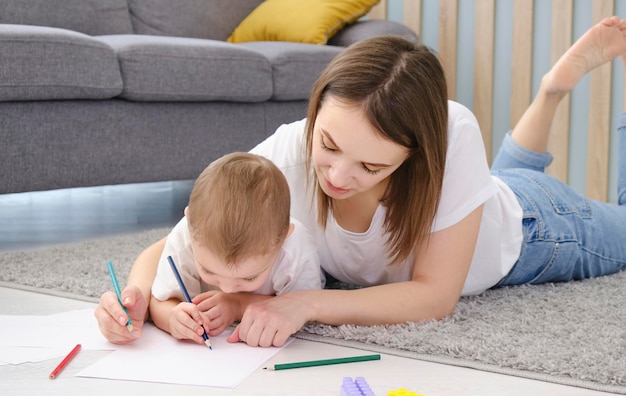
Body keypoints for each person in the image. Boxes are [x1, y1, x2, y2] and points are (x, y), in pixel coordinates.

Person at [95, 16, 626, 348]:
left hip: (538, 229)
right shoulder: (288, 148)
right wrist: (142, 302)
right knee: (498, 178)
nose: (338, 177)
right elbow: (175, 242)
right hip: (491, 193)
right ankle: (552, 91)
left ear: (418, 153)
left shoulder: (453, 129)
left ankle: (559, 94)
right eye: (327, 146)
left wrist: (300, 305)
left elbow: (434, 298)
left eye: (372, 167)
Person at [103, 152, 324, 345]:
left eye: (248, 278)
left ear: (283, 238)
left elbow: (305, 308)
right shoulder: (186, 236)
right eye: (209, 272)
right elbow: (159, 301)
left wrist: (237, 305)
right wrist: (172, 318)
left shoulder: (297, 250)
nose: (226, 288)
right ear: (190, 226)